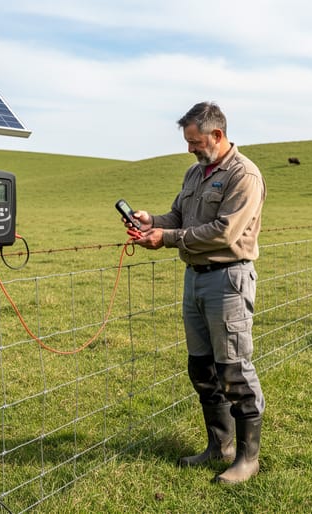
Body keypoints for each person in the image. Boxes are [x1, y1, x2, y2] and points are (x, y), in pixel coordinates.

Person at [124, 101, 266, 484]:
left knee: (234, 369)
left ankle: (248, 459)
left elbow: (224, 231)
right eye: (188, 141)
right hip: (196, 279)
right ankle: (219, 448)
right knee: (202, 368)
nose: (190, 148)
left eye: (195, 141)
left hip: (228, 280)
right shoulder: (194, 173)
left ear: (217, 135)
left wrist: (166, 238)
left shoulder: (244, 176)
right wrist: (152, 221)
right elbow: (180, 217)